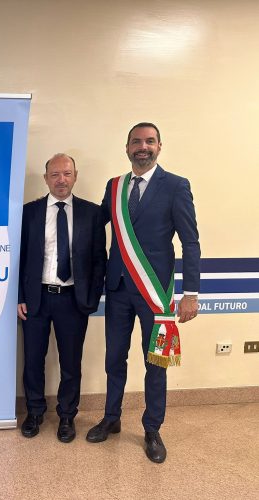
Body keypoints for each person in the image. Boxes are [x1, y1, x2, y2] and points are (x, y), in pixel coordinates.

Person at [86, 123, 200, 463]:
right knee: (114, 358)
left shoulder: (176, 186)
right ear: (127, 148)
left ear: (159, 146)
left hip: (155, 294)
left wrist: (191, 293)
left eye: (150, 141)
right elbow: (95, 224)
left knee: (156, 362)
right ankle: (111, 417)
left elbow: (190, 242)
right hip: (118, 288)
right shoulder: (115, 186)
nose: (143, 147)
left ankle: (152, 428)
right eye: (136, 141)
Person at [18, 153, 106, 442]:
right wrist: (20, 296)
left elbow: (99, 260)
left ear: (75, 176)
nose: (61, 180)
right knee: (33, 360)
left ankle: (67, 416)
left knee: (71, 363)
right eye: (55, 174)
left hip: (73, 301)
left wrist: (90, 298)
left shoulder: (92, 214)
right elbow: (20, 258)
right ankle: (35, 412)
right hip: (36, 299)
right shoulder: (29, 213)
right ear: (46, 179)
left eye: (67, 173)